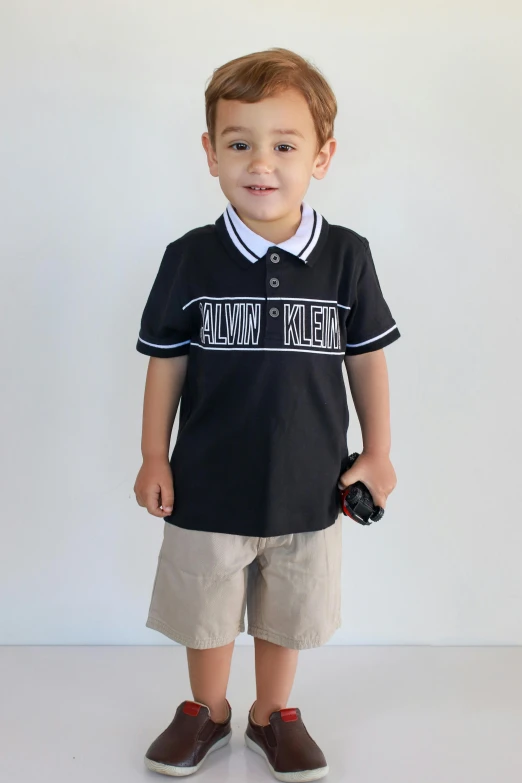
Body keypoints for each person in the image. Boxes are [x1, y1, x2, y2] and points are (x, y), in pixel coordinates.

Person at [133, 46, 401, 781]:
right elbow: (168, 361)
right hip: (206, 484)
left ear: (322, 155)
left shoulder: (346, 257)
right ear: (210, 152)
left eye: (285, 144)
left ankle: (272, 713)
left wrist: (376, 454)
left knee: (288, 612)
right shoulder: (190, 258)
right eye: (239, 142)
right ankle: (208, 709)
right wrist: (154, 454)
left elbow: (367, 360)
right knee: (206, 609)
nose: (262, 162)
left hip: (309, 484)